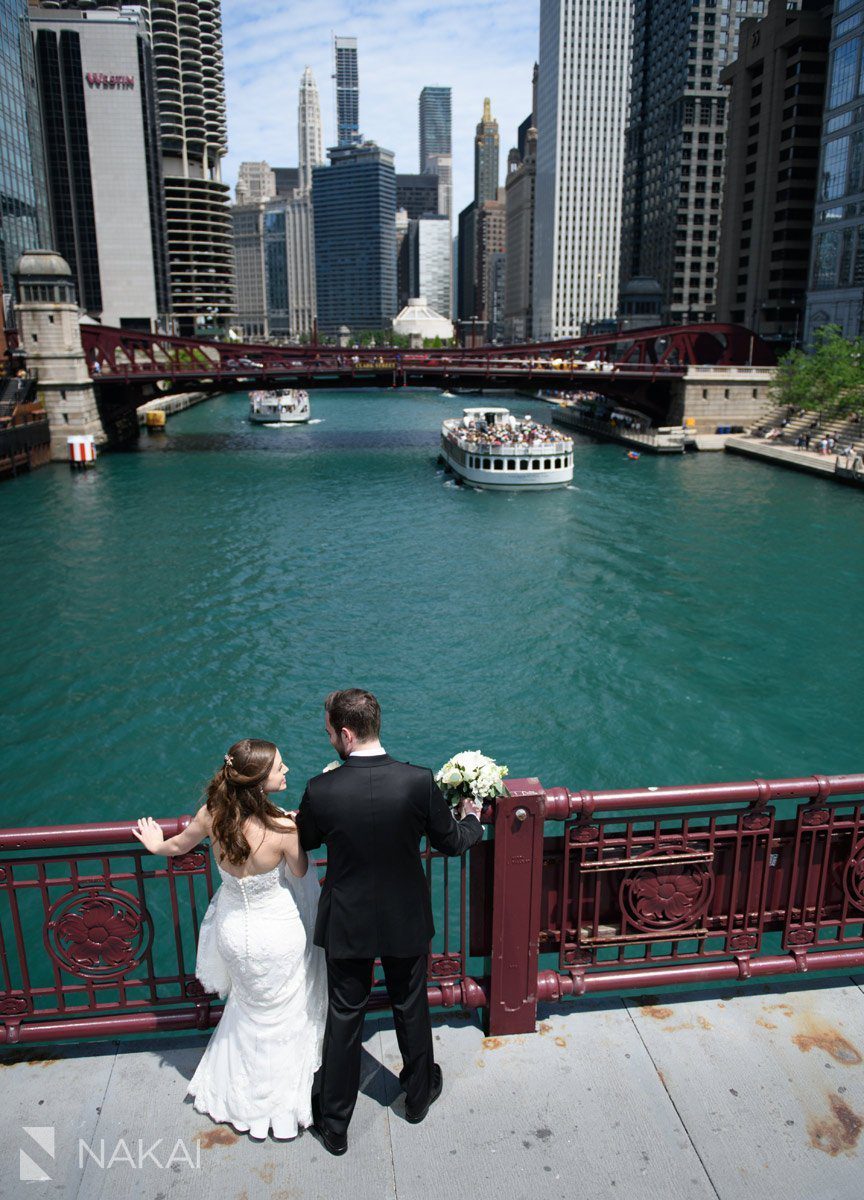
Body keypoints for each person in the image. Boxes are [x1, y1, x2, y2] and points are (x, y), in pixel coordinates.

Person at [296, 689, 483, 1156]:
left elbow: (305, 840)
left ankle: (335, 1124)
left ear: (345, 732)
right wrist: (474, 817)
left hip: (347, 920)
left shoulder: (323, 789)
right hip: (405, 914)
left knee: (345, 1016)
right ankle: (418, 1096)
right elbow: (453, 842)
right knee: (410, 1003)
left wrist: (321, 795)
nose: (328, 740)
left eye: (328, 733)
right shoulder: (418, 782)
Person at [132, 739, 326, 1140]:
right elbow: (300, 870)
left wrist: (154, 844)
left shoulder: (211, 815)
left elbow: (175, 847)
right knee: (284, 1010)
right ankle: (281, 1101)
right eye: (279, 767)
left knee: (248, 1007)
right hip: (278, 932)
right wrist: (291, 828)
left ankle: (241, 1091)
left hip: (234, 930)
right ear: (258, 782)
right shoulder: (283, 829)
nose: (286, 770)